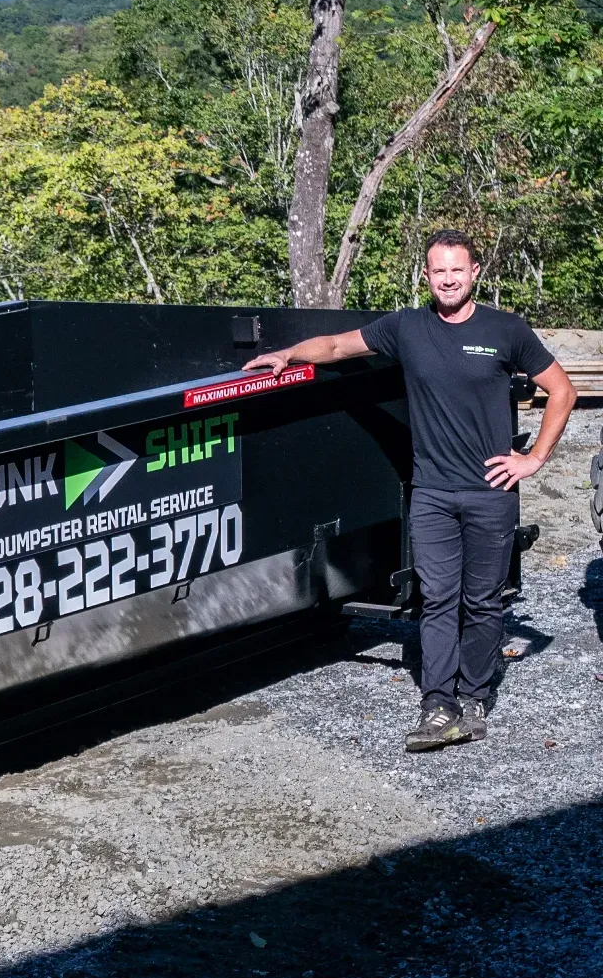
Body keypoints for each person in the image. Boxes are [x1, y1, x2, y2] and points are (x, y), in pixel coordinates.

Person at [243, 229, 574, 752]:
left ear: (475, 273)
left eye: (457, 270)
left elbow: (563, 390)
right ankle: (438, 703)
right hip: (433, 496)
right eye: (438, 270)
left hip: (491, 493)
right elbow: (334, 346)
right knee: (438, 599)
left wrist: (532, 460)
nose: (448, 279)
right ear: (427, 275)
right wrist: (286, 354)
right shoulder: (407, 327)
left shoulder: (506, 329)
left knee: (484, 602)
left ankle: (475, 697)